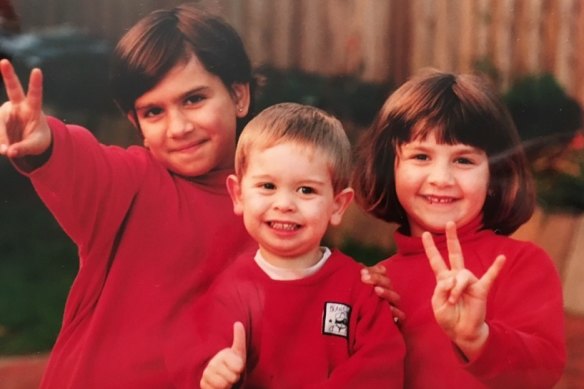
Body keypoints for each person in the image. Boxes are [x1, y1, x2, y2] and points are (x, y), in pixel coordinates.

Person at [0, 4, 394, 388]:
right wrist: (43, 141)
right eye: (154, 111)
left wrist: (364, 289)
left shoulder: (272, 207)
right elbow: (78, 159)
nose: (179, 127)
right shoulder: (129, 183)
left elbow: (311, 295)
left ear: (239, 97)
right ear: (135, 124)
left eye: (194, 99)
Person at [352, 70, 566, 388]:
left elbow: (544, 370)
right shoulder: (379, 283)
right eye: (421, 156)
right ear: (389, 168)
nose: (442, 178)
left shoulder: (519, 265)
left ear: (495, 176)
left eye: (463, 161)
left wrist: (477, 338)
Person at [171, 103, 405, 389]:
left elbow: (383, 365)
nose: (284, 204)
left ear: (337, 205)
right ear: (238, 195)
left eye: (306, 190)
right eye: (268, 186)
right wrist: (212, 372)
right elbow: (199, 357)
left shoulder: (360, 289)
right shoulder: (230, 290)